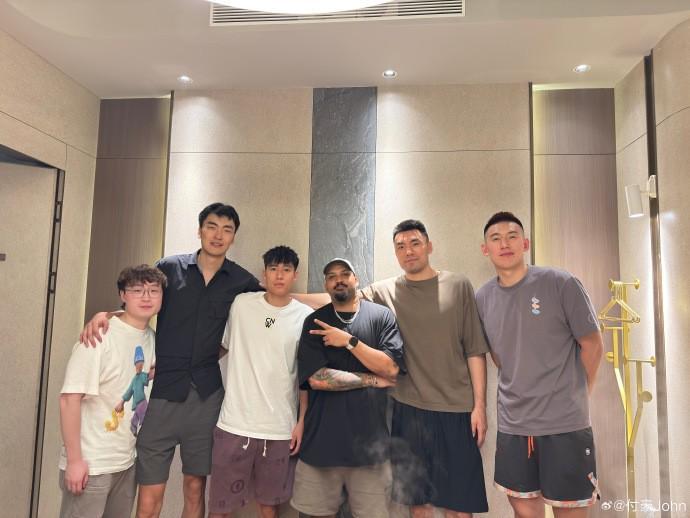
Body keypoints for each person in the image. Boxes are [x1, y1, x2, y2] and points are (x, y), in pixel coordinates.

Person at [80, 203, 263, 518]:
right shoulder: (168, 267)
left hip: (206, 397)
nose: (218, 235)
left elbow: (273, 304)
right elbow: (142, 300)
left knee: (195, 487)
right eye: (211, 226)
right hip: (160, 394)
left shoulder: (240, 280)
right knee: (150, 496)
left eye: (227, 229)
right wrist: (105, 314)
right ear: (199, 230)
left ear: (234, 237)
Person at [475, 211, 604, 518]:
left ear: (525, 243)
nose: (504, 244)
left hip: (565, 424)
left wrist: (580, 392)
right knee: (524, 510)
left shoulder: (561, 283)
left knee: (570, 510)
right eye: (495, 238)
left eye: (512, 236)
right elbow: (497, 356)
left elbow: (593, 344)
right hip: (514, 425)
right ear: (485, 249)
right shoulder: (483, 298)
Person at [359, 220, 490, 518]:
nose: (408, 251)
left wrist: (480, 407)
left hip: (457, 410)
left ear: (429, 246)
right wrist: (284, 298)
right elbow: (342, 300)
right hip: (409, 411)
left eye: (415, 243)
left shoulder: (458, 285)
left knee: (460, 507)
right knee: (418, 505)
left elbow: (475, 350)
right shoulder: (385, 291)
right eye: (401, 246)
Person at [291, 258, 405, 518]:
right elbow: (317, 379)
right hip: (320, 446)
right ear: (326, 285)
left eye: (344, 274)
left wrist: (349, 342)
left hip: (371, 450)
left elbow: (391, 369)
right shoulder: (314, 322)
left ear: (356, 279)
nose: (338, 280)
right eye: (331, 276)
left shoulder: (381, 317)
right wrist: (371, 379)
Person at [208, 245, 312, 518]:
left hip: (279, 428)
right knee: (220, 508)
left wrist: (301, 420)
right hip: (234, 424)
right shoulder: (241, 305)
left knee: (269, 508)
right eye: (273, 269)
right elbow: (221, 345)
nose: (279, 275)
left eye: (286, 270)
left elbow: (305, 375)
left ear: (295, 275)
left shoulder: (303, 316)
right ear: (264, 274)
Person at [59, 264, 165, 518]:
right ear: (122, 295)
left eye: (154, 290)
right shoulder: (99, 336)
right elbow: (69, 399)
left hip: (126, 462)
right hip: (92, 464)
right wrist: (74, 461)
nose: (146, 297)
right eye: (137, 290)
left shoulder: (152, 339)